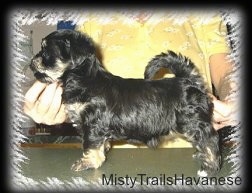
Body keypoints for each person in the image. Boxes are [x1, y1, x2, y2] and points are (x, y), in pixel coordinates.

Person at [23, 11, 239, 133]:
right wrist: (60, 107)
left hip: (191, 149)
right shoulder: (89, 18)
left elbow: (225, 72)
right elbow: (79, 82)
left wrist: (234, 95)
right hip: (112, 162)